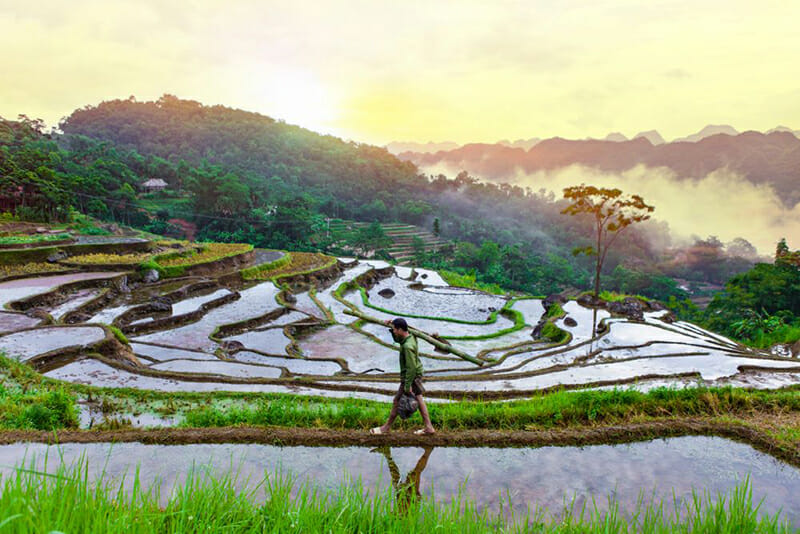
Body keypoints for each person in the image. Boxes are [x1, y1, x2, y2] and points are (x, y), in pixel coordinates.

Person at [370, 317, 435, 435]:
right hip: (415, 375)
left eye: (394, 329)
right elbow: (399, 340)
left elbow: (411, 368)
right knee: (419, 400)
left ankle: (386, 428)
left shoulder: (407, 347)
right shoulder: (411, 337)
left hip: (411, 376)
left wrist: (407, 385)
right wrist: (390, 326)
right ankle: (428, 427)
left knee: (397, 400)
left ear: (400, 329)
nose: (394, 331)